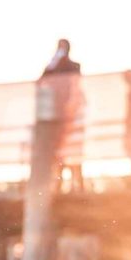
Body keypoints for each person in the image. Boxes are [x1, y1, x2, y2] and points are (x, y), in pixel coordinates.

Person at [38, 39, 85, 190]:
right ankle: (58, 185)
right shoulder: (52, 67)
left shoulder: (74, 67)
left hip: (73, 116)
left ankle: (78, 185)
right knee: (59, 153)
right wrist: (54, 60)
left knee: (74, 151)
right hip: (57, 116)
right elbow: (42, 80)